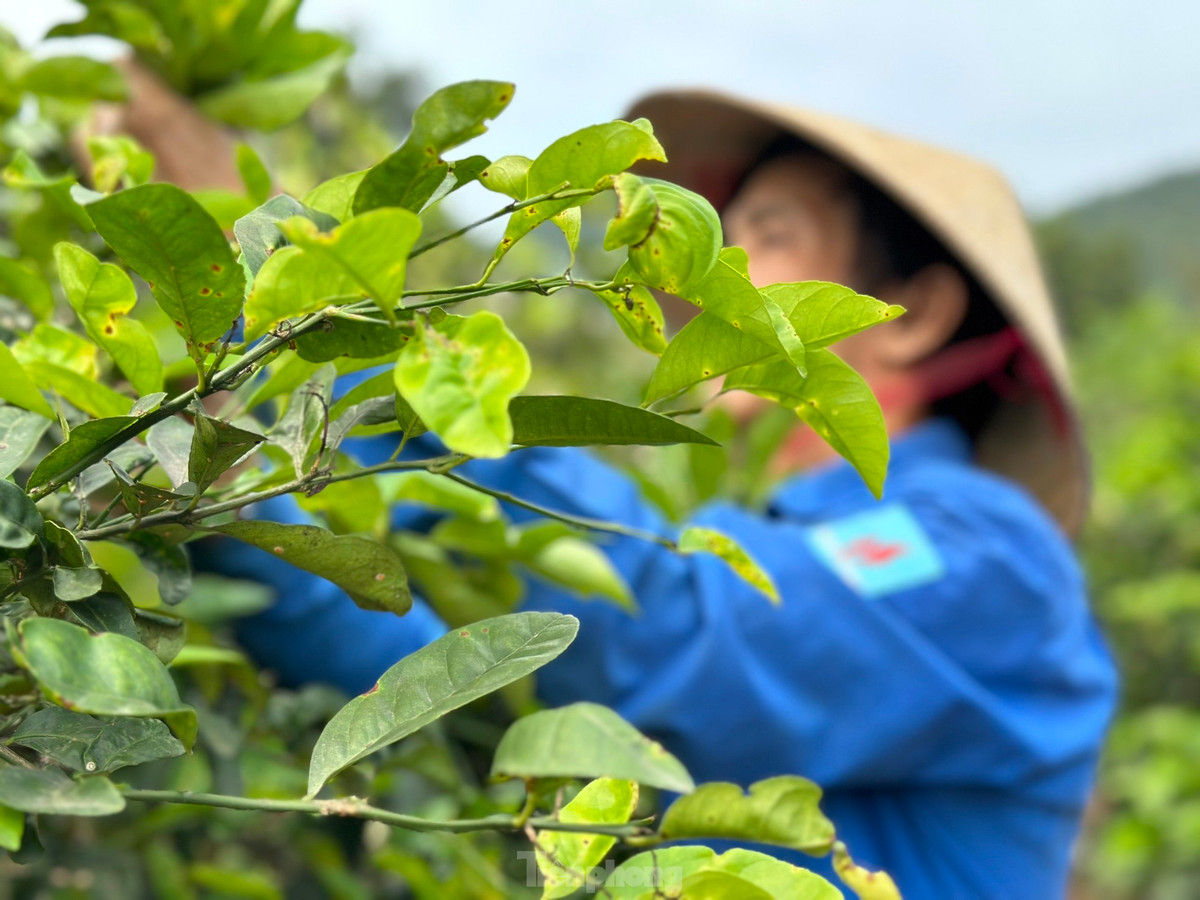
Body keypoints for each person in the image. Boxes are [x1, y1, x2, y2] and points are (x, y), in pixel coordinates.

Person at [118, 76, 1117, 898]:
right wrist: (218, 476)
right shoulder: (757, 541)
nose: (718, 275)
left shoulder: (993, 558)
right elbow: (444, 680)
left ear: (916, 314)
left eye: (770, 235)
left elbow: (675, 643)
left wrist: (309, 297)